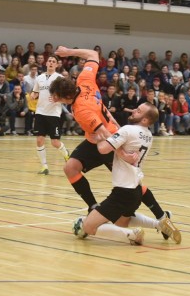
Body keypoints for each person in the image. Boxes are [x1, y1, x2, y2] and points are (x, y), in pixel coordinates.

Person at [50, 46, 180, 243]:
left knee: (131, 187)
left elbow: (103, 133)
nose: (55, 100)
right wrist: (68, 52)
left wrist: (123, 153)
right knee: (71, 167)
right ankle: (93, 206)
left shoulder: (81, 110)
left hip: (109, 140)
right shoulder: (84, 81)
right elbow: (93, 55)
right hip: (95, 139)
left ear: (67, 98)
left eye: (57, 98)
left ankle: (162, 217)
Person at [71, 102, 176, 245]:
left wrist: (98, 137)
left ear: (145, 119)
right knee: (121, 221)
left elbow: (102, 149)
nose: (133, 111)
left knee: (88, 226)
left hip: (122, 192)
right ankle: (159, 224)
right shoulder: (148, 135)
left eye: (138, 111)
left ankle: (132, 235)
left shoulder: (128, 130)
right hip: (136, 191)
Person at [30, 55, 70, 175]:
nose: (51, 63)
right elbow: (35, 92)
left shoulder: (60, 78)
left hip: (54, 114)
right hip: (40, 112)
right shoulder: (40, 78)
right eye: (49, 61)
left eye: (54, 62)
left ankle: (66, 154)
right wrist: (33, 95)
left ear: (57, 65)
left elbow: (68, 98)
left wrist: (58, 100)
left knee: (55, 142)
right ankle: (44, 167)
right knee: (39, 140)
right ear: (46, 63)